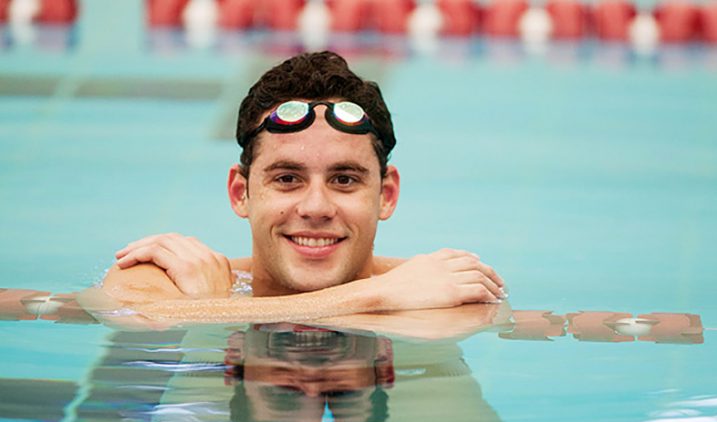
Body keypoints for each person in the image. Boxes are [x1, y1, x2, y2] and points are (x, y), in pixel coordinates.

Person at [90, 51, 506, 325]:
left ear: (386, 195)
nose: (316, 207)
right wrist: (375, 297)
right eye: (287, 179)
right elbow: (131, 312)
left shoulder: (444, 287)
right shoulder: (172, 275)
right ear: (241, 192)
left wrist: (210, 311)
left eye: (344, 180)